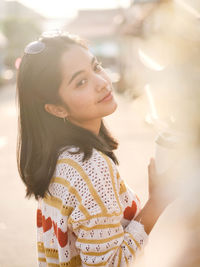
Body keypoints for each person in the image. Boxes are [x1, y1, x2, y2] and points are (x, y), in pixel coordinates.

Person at [16, 30, 173, 267]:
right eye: (81, 82)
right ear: (57, 109)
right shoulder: (90, 168)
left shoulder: (57, 158)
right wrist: (157, 203)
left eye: (96, 67)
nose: (102, 82)